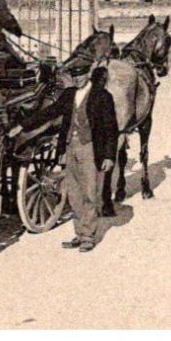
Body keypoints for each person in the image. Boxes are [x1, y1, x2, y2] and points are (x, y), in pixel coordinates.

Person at [58, 64, 119, 252]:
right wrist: (22, 125)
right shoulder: (69, 94)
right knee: (74, 193)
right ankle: (79, 233)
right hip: (70, 147)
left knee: (90, 192)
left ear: (88, 75)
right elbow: (49, 113)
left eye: (81, 75)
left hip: (90, 147)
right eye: (74, 76)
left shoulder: (102, 96)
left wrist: (109, 156)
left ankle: (88, 236)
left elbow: (111, 129)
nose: (77, 79)